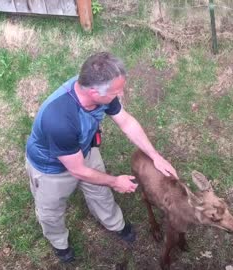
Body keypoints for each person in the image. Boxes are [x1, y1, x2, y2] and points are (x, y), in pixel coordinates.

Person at [25, 52, 178, 263]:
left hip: (84, 151)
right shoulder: (59, 120)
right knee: (50, 212)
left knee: (100, 193)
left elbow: (126, 122)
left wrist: (155, 156)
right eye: (117, 91)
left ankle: (116, 224)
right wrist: (116, 181)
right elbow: (77, 170)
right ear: (94, 92)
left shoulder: (100, 93)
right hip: (51, 170)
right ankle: (60, 243)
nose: (121, 94)